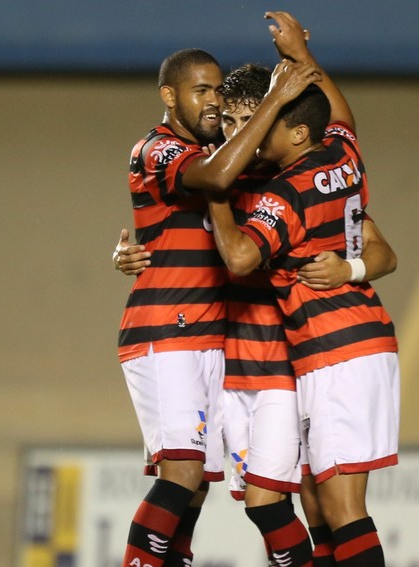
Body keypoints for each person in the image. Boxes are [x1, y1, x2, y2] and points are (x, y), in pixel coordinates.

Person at [115, 63, 396, 567]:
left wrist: (350, 267)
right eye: (231, 122)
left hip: (291, 362)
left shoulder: (286, 180)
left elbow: (379, 249)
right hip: (228, 360)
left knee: (303, 499)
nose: (239, 134)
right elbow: (159, 217)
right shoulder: (214, 171)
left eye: (252, 122)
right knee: (222, 491)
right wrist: (129, 254)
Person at [206, 11, 400, 567]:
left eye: (267, 122)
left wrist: (216, 192)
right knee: (318, 504)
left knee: (343, 511)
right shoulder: (343, 155)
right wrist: (301, 59)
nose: (253, 133)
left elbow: (242, 257)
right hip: (347, 343)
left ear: (294, 132)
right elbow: (341, 114)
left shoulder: (284, 193)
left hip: (337, 349)